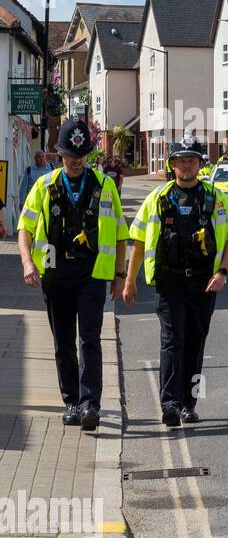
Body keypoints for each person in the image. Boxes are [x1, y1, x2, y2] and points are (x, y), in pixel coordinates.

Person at [16, 119, 128, 429]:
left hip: (91, 272)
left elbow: (120, 232)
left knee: (89, 337)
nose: (75, 162)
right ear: (59, 154)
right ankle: (72, 402)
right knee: (62, 341)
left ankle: (91, 403)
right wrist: (27, 262)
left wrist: (120, 273)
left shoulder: (105, 186)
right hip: (55, 273)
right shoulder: (45, 185)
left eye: (80, 157)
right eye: (69, 156)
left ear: (88, 155)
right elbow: (24, 228)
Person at [124, 140, 228, 427]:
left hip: (204, 283)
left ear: (200, 164)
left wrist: (223, 273)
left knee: (195, 343)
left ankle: (189, 404)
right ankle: (170, 403)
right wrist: (129, 281)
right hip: (169, 282)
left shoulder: (217, 199)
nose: (187, 165)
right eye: (181, 160)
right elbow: (138, 242)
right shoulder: (157, 198)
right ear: (172, 164)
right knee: (171, 341)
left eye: (192, 160)